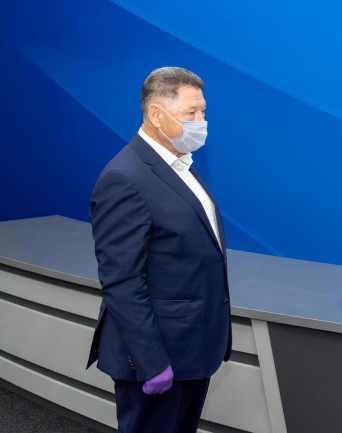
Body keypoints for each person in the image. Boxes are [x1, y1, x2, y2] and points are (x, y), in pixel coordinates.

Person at [86, 67, 231, 433]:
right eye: (190, 113)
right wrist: (151, 362)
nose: (201, 121)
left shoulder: (179, 164)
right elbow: (122, 282)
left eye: (203, 111)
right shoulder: (124, 178)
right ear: (155, 114)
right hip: (157, 357)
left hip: (192, 351)